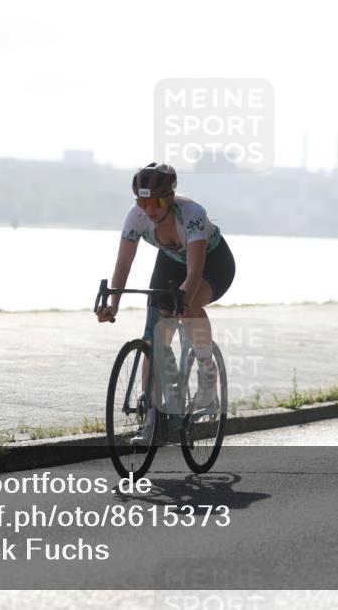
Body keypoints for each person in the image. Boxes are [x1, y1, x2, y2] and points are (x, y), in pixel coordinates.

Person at [96, 162, 236, 445]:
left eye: (156, 202)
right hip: (170, 263)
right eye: (142, 201)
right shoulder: (136, 217)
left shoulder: (192, 215)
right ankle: (152, 421)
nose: (149, 209)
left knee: (189, 306)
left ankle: (207, 377)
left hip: (212, 264)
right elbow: (123, 264)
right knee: (154, 339)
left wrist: (182, 300)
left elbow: (195, 271)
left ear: (170, 198)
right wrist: (114, 303)